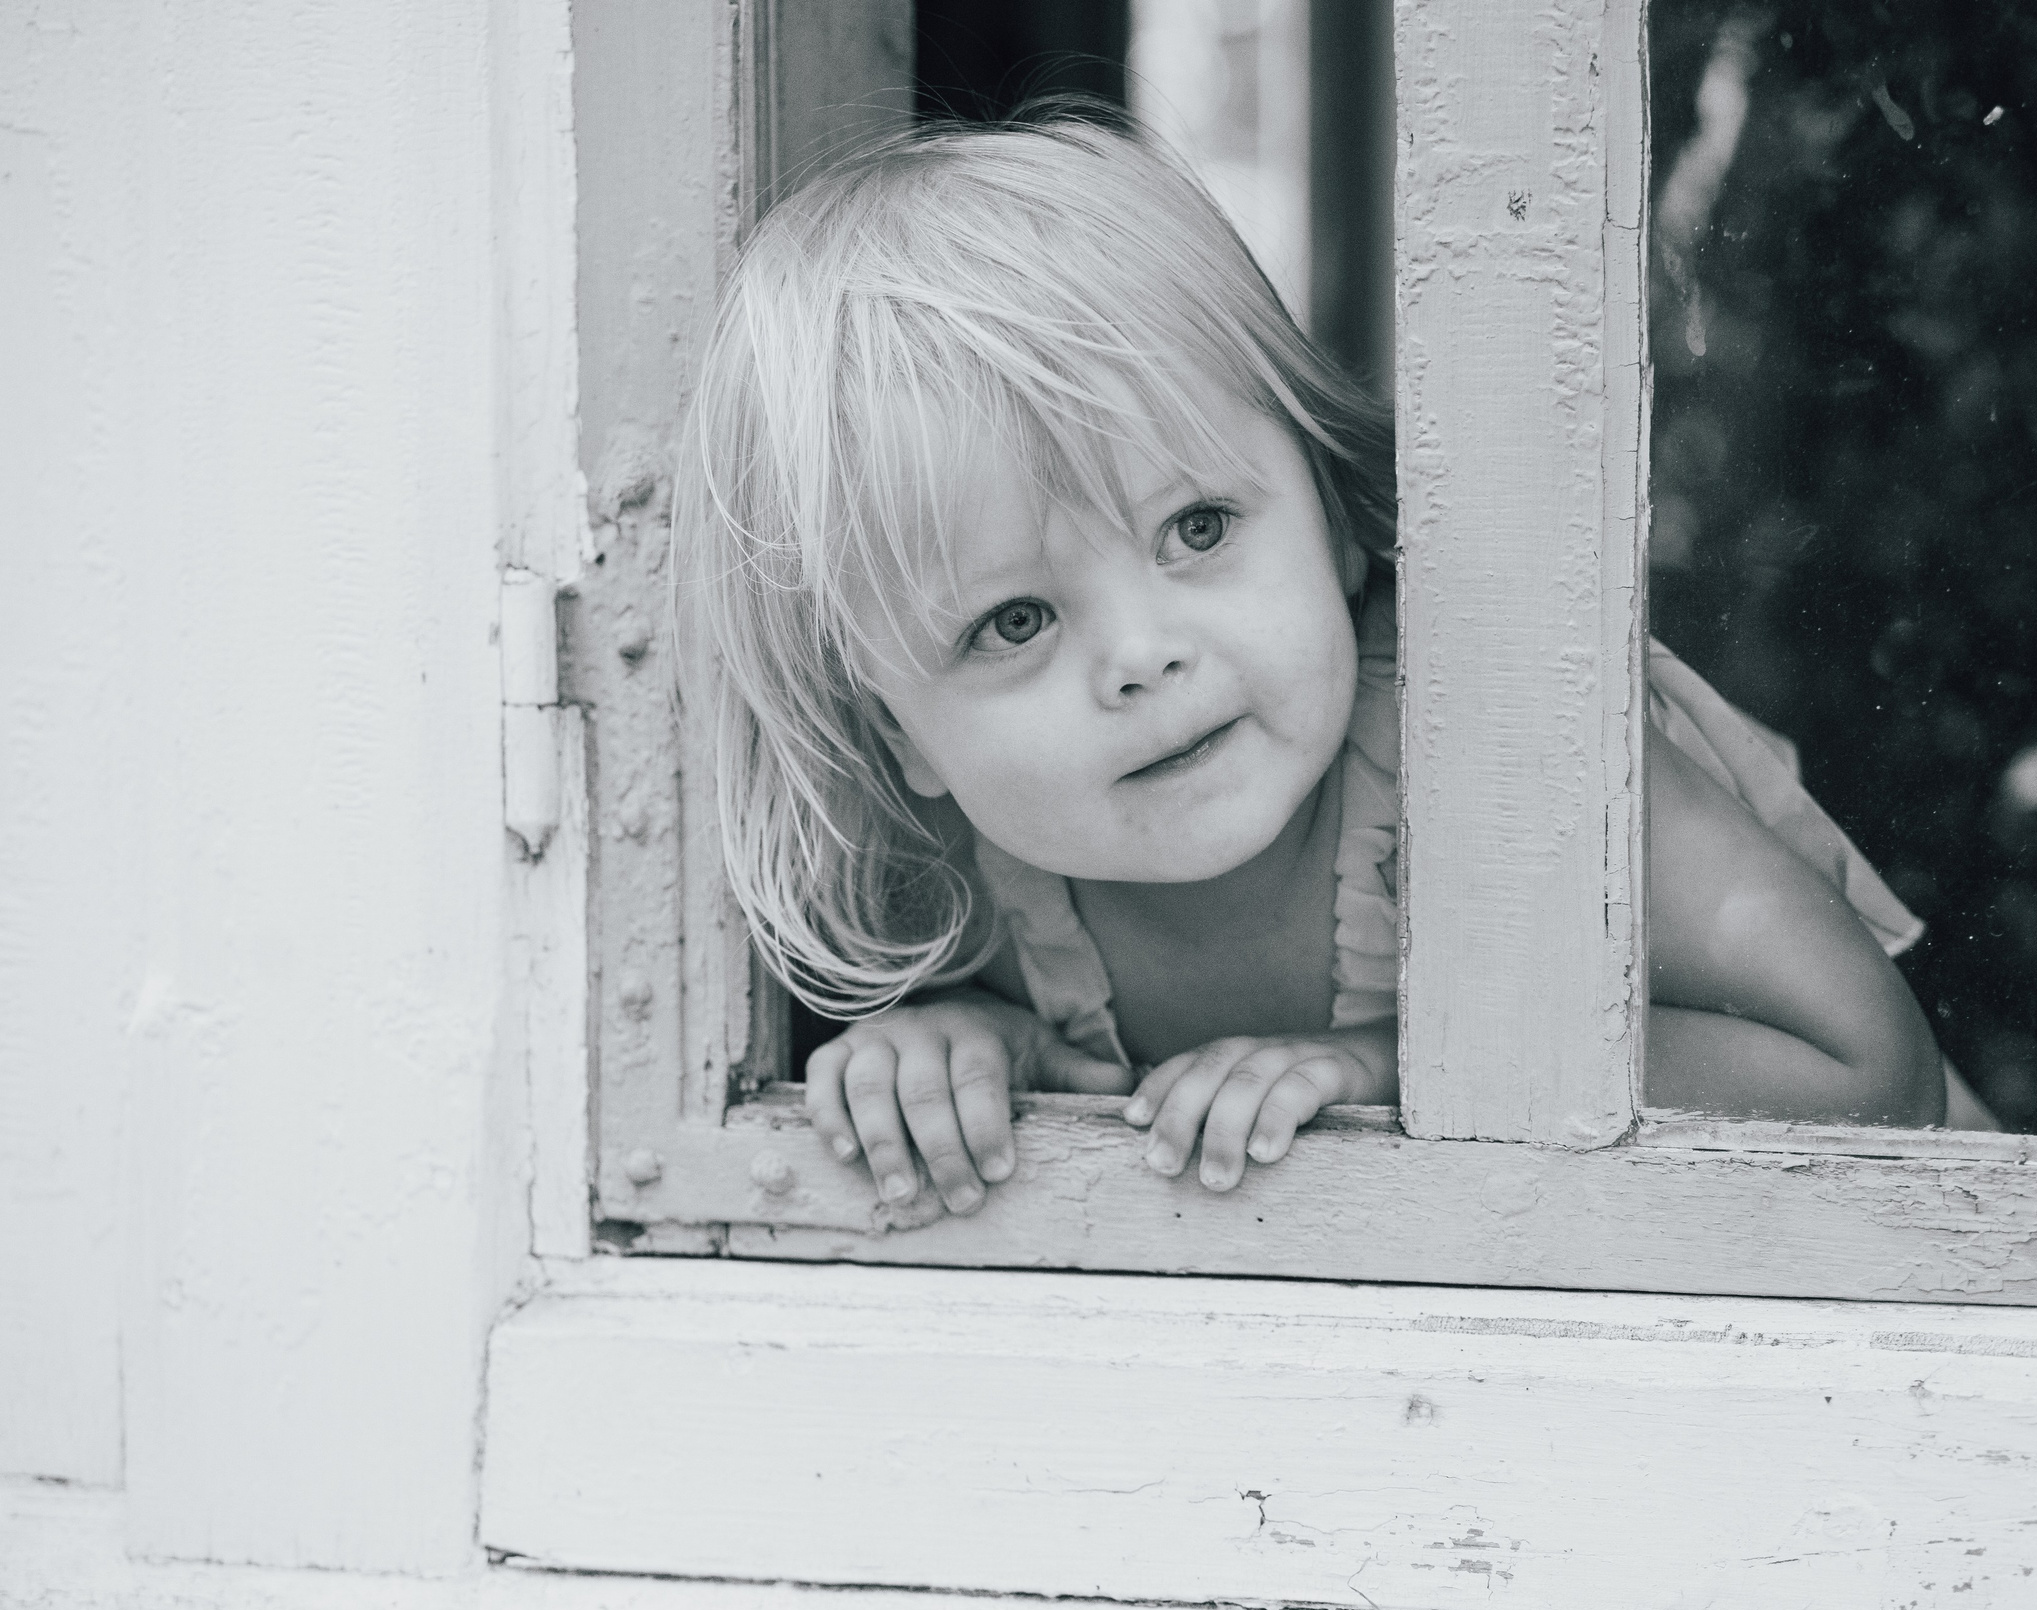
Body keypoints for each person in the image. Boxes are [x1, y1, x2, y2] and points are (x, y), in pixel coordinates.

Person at [681, 111, 1967, 1217]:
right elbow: (1088, 1085)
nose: (1141, 657)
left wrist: (1392, 1067)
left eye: (1197, 529)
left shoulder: (1496, 734)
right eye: (1012, 622)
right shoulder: (976, 873)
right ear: (900, 734)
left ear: (1337, 518)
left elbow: (1869, 1078)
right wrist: (972, 1042)